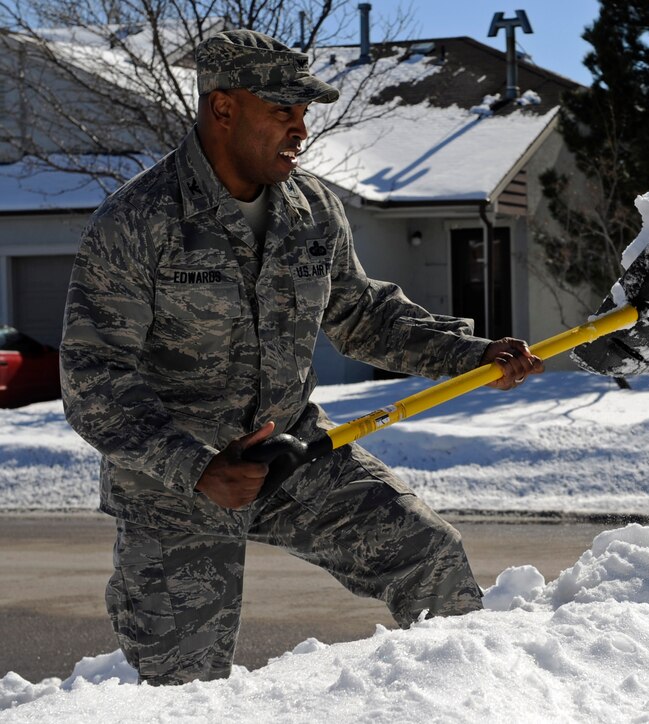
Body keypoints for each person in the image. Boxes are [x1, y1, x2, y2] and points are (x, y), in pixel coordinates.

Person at [59, 29, 543, 686]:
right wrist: (197, 466)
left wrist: (471, 352)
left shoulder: (313, 211)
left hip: (292, 452)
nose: (301, 127)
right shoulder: (138, 222)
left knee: (431, 558)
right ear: (223, 109)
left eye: (305, 110)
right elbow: (94, 379)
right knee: (184, 686)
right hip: (176, 485)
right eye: (282, 108)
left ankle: (466, 700)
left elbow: (361, 313)